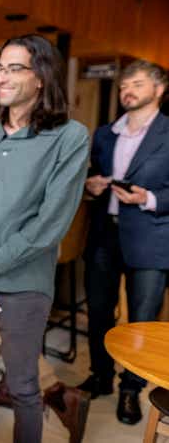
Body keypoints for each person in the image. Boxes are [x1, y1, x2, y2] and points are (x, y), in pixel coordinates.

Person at [0, 34, 90, 443]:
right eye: (0, 68)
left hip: (24, 284)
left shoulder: (70, 137)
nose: (2, 77)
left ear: (42, 77)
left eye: (16, 68)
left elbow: (51, 223)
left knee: (24, 387)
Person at [78, 59, 169, 425]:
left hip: (151, 237)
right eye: (122, 85)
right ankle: (100, 376)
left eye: (136, 83)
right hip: (103, 234)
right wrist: (91, 185)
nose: (126, 90)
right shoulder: (104, 134)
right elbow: (92, 175)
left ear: (159, 89)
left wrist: (148, 199)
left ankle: (131, 390)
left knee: (143, 320)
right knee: (98, 310)